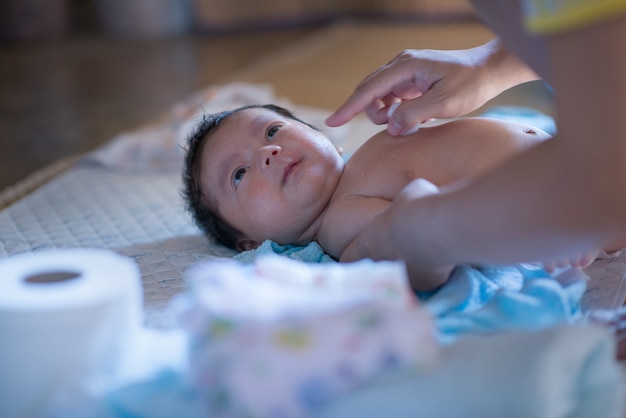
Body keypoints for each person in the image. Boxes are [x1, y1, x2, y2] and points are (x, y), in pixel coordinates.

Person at [324, 0, 626, 285]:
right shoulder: (340, 214)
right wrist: (490, 66)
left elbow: (602, 174)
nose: (274, 152)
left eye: (276, 129)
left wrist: (431, 231)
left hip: (576, 208)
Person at [182, 103, 598, 291]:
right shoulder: (339, 224)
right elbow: (410, 249)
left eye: (272, 131)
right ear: (252, 243)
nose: (267, 153)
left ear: (327, 140)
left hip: (584, 150)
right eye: (238, 174)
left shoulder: (369, 156)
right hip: (570, 204)